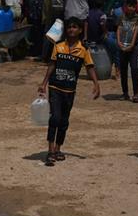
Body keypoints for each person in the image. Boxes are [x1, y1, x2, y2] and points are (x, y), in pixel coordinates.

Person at [38, 17, 100, 165]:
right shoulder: (58, 46)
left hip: (70, 90)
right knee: (55, 118)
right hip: (55, 88)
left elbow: (90, 67)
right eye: (69, 27)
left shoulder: (83, 50)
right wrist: (44, 83)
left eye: (74, 27)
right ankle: (50, 150)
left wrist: (96, 84)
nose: (71, 30)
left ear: (79, 30)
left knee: (64, 121)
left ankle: (58, 149)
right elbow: (51, 65)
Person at [115, 3, 138, 103]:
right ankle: (125, 92)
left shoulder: (137, 18)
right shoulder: (122, 16)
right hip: (122, 46)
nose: (131, 8)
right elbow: (119, 29)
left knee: (134, 68)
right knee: (123, 69)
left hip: (133, 47)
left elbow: (136, 31)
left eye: (132, 6)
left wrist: (131, 45)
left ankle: (135, 93)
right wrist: (118, 42)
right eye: (129, 6)